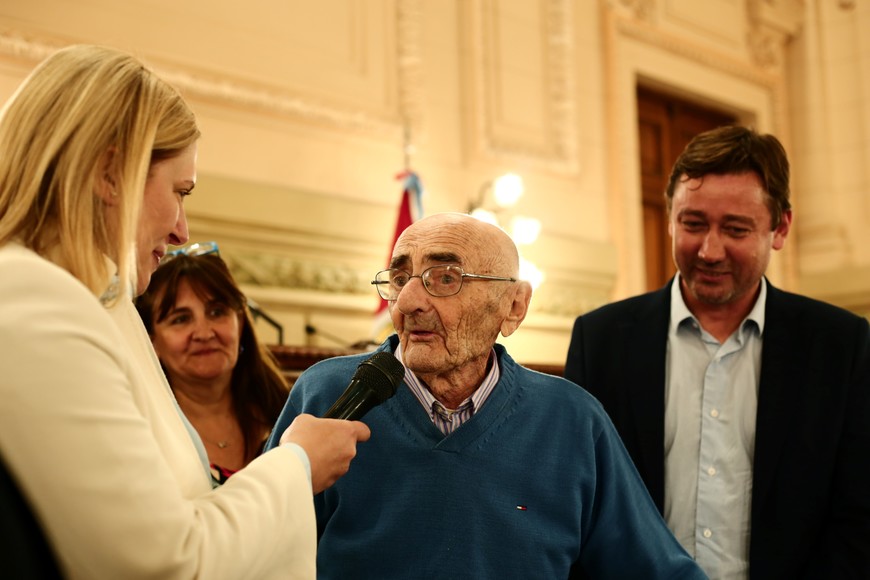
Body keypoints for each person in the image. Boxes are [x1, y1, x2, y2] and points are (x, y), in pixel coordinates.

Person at [0, 44, 370, 579]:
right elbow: (162, 563)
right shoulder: (37, 300)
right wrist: (296, 465)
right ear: (111, 174)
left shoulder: (97, 299)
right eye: (179, 190)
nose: (182, 232)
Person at [265, 212, 706, 579]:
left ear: (513, 306)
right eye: (400, 278)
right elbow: (253, 550)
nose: (407, 302)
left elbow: (654, 570)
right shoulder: (326, 394)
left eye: (444, 277)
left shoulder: (572, 420)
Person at [564, 125, 870, 578]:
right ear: (670, 217)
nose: (709, 250)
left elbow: (859, 516)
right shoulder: (601, 339)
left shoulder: (841, 346)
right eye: (693, 224)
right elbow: (573, 502)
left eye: (735, 229)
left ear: (780, 227)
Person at [136, 249, 289, 484]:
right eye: (181, 319)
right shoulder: (144, 433)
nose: (205, 333)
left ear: (239, 322)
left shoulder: (287, 412)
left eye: (217, 312)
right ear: (152, 341)